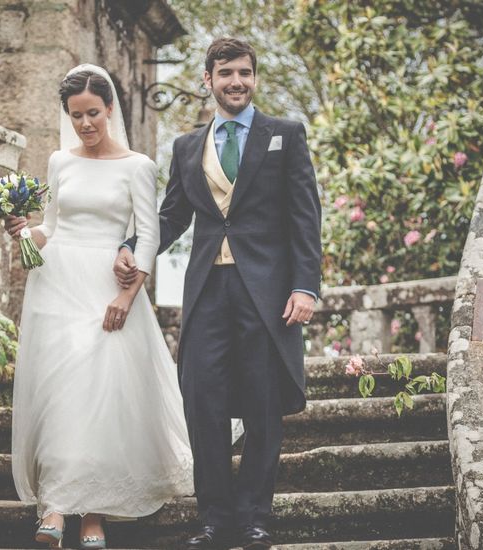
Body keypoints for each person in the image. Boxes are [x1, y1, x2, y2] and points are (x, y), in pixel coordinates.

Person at [115, 38, 322, 550]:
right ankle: (214, 518)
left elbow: (305, 216)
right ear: (207, 79)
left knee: (263, 404)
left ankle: (254, 518)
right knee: (201, 399)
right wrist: (131, 247)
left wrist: (305, 286)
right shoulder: (187, 147)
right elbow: (171, 217)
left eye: (245, 73)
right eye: (226, 72)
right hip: (207, 289)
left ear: (254, 79)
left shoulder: (285, 135)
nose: (237, 81)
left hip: (269, 292)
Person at [4, 64, 194, 550]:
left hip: (107, 286)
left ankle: (94, 515)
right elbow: (51, 228)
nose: (86, 124)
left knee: (99, 397)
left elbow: (149, 236)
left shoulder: (138, 165)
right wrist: (23, 234)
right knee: (62, 393)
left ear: (110, 109)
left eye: (93, 113)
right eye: (76, 116)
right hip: (56, 285)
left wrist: (128, 296)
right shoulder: (59, 162)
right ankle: (53, 508)